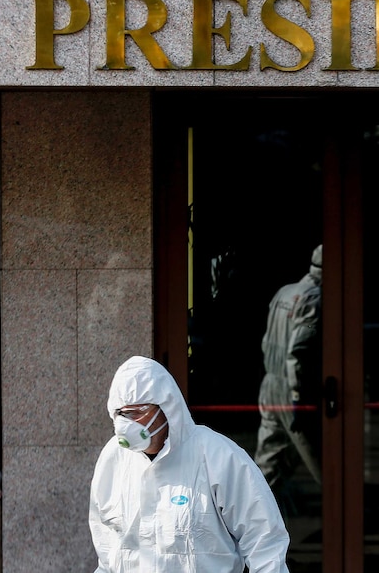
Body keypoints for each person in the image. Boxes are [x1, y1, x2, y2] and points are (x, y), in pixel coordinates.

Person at [89, 356, 291, 573]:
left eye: (135, 413)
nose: (125, 425)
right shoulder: (114, 459)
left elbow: (265, 542)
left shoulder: (217, 456)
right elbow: (107, 548)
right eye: (120, 414)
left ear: (165, 407)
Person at [254, 244, 323, 514]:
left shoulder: (285, 292)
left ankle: (252, 521)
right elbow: (299, 350)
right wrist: (297, 398)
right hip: (291, 388)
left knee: (268, 460)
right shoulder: (314, 297)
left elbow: (266, 341)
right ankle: (349, 516)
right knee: (323, 460)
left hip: (269, 384)